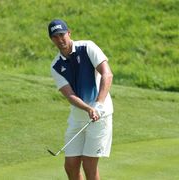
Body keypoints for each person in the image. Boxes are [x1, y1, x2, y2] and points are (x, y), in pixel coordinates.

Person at [48, 19, 113, 180]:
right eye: (55, 36)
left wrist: (98, 105)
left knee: (89, 165)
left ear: (69, 33)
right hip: (78, 117)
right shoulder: (55, 66)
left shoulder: (88, 47)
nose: (60, 39)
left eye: (62, 34)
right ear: (51, 39)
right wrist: (88, 109)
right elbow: (70, 95)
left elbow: (107, 74)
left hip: (100, 116)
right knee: (70, 166)